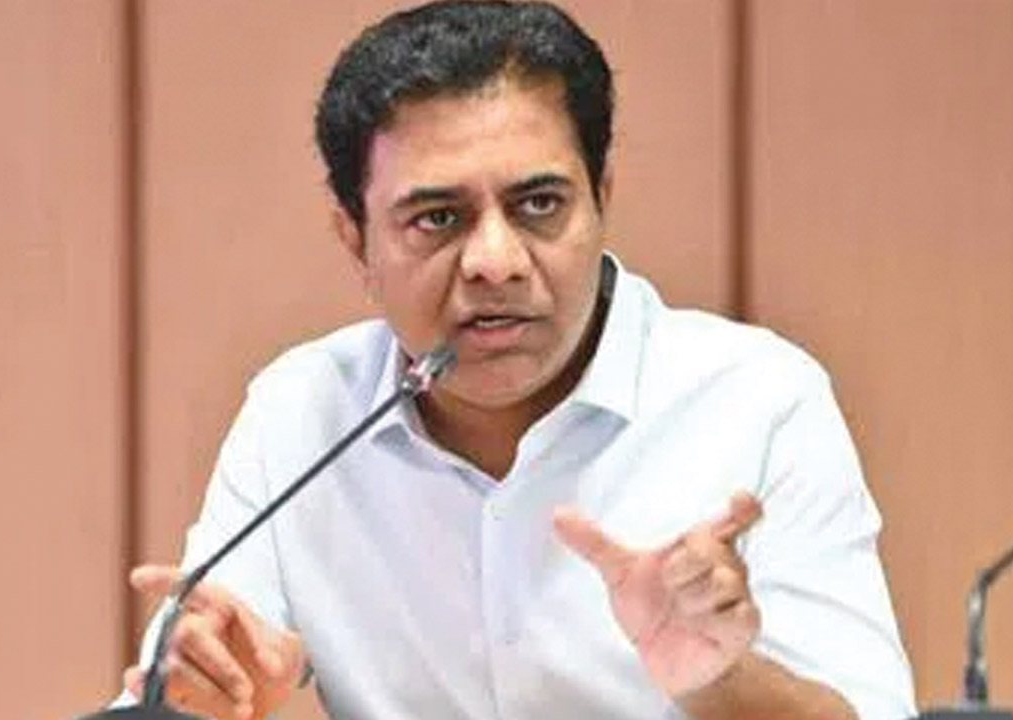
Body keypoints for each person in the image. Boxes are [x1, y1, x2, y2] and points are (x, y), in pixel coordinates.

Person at [118, 2, 916, 719]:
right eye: (438, 218)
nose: (494, 262)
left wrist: (718, 681)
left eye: (539, 205)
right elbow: (199, 675)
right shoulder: (300, 414)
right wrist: (199, 701)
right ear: (355, 241)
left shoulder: (756, 400)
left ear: (602, 196)